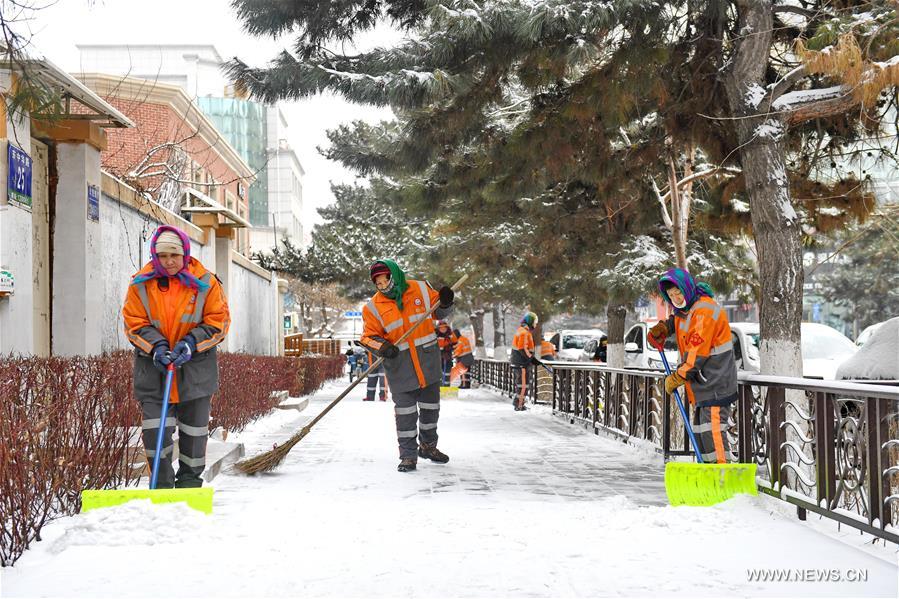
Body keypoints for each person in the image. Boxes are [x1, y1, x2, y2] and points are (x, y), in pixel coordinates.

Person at [122, 225, 229, 488]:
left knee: (194, 435)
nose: (168, 262)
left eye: (174, 255)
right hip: (155, 372)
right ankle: (161, 489)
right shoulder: (141, 284)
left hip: (195, 372)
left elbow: (219, 322)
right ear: (154, 256)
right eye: (162, 256)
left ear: (185, 254)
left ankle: (189, 487)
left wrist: (191, 343)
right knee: (154, 433)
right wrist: (156, 346)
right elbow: (133, 322)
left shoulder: (206, 282)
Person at [360, 259, 455, 472]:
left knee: (431, 410)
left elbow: (438, 311)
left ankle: (428, 447)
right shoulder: (373, 307)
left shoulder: (419, 288)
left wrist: (446, 302)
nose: (383, 287)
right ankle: (408, 456)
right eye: (379, 284)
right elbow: (368, 337)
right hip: (400, 367)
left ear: (394, 275)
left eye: (386, 281)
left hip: (427, 363)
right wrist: (383, 347)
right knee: (406, 414)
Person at [647, 267, 738, 464]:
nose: (676, 298)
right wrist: (665, 327)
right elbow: (680, 319)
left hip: (715, 382)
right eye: (671, 295)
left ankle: (724, 480)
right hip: (701, 385)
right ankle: (709, 479)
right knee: (702, 434)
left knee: (713, 435)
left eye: (678, 292)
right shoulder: (686, 310)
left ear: (686, 288)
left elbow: (697, 351)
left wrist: (678, 377)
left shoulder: (704, 310)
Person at [510, 312, 538, 411]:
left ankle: (519, 403)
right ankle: (519, 405)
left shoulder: (521, 330)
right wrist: (531, 358)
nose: (536, 324)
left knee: (521, 384)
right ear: (530, 321)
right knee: (523, 385)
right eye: (535, 322)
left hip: (519, 362)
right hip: (521, 363)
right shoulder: (524, 332)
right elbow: (522, 348)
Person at [435, 320, 458, 385]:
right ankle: (440, 388)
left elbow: (456, 344)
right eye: (441, 328)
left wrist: (450, 347)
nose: (443, 329)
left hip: (447, 357)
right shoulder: (435, 335)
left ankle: (446, 388)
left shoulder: (451, 334)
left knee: (447, 373)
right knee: (439, 374)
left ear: (447, 328)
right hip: (438, 357)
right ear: (438, 328)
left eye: (444, 327)